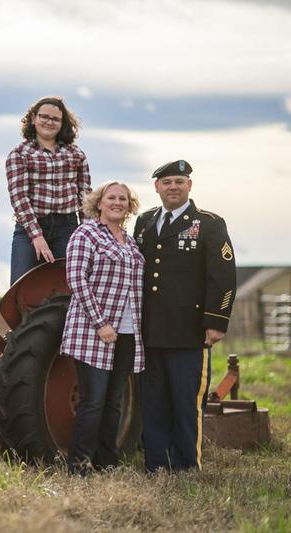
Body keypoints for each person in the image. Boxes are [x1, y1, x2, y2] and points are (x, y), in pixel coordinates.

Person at [133, 160, 237, 472]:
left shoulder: (209, 223)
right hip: (150, 331)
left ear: (189, 185)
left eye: (179, 181)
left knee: (186, 401)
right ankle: (157, 464)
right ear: (157, 187)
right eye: (167, 182)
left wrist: (216, 321)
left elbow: (223, 276)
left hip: (188, 331)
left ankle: (187, 466)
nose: (173, 187)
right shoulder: (145, 222)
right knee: (153, 402)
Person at [61, 181, 145, 475]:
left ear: (129, 206)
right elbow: (76, 279)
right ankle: (79, 465)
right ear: (99, 203)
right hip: (92, 332)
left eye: (123, 199)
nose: (117, 202)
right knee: (93, 401)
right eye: (112, 198)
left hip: (127, 332)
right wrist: (101, 323)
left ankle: (107, 463)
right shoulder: (86, 233)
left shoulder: (130, 241)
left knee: (113, 403)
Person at [6, 96, 92, 285]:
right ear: (33, 119)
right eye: (44, 116)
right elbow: (19, 197)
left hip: (67, 227)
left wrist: (86, 234)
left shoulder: (76, 154)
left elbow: (86, 197)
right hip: (30, 228)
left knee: (68, 285)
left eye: (55, 119)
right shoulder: (19, 154)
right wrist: (36, 236)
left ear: (63, 124)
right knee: (22, 287)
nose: (49, 122)